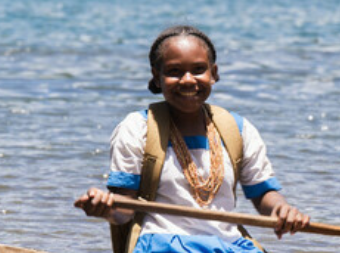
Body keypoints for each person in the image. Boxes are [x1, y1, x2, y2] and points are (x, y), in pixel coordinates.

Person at [75, 25, 310, 253]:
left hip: (229, 245)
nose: (188, 80)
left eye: (198, 69)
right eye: (174, 71)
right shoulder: (138, 128)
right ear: (157, 77)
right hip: (163, 245)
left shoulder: (238, 129)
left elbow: (262, 194)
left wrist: (282, 210)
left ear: (214, 73)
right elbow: (124, 209)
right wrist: (106, 207)